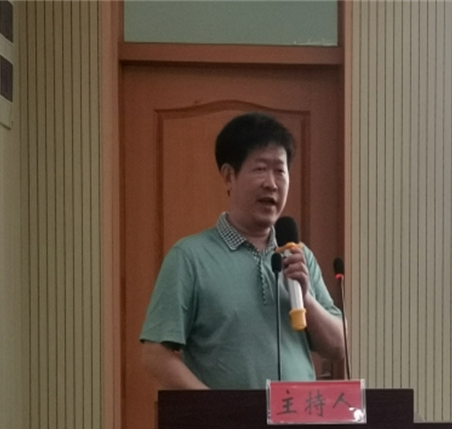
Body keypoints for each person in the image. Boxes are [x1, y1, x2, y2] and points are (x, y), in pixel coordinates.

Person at [139, 112, 345, 390]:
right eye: (260, 169)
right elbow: (154, 354)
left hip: (298, 416)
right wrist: (216, 407)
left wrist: (305, 297)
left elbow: (338, 346)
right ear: (229, 176)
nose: (271, 183)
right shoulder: (190, 257)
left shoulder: (299, 256)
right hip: (225, 418)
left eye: (280, 171)